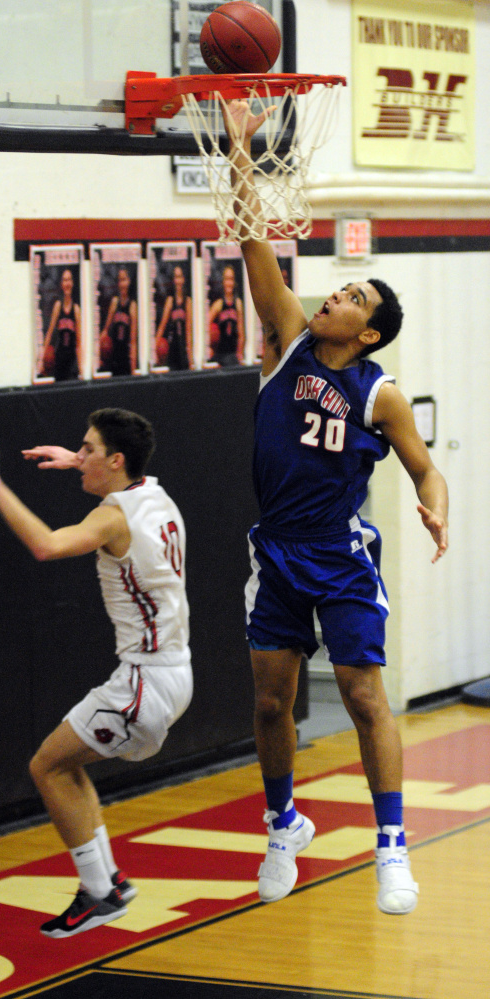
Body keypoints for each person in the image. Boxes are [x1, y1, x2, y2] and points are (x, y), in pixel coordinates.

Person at [223, 100, 449, 914]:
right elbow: (253, 239)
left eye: (351, 294)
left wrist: (434, 507)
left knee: (361, 694)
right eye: (339, 286)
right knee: (269, 700)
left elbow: (426, 470)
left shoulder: (377, 392)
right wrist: (241, 151)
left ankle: (393, 846)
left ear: (367, 331)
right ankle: (283, 821)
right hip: (276, 549)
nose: (332, 294)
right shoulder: (285, 339)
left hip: (339, 552)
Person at [0, 408, 192, 938]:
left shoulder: (112, 518)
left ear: (115, 461)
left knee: (47, 767)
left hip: (144, 682)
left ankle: (100, 891)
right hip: (173, 672)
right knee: (66, 765)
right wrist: (75, 460)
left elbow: (45, 544)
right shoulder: (155, 495)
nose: (79, 459)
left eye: (87, 450)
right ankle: (108, 885)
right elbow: (115, 476)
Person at [40, 268, 82, 381]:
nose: (67, 283)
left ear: (72, 283)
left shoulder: (76, 309)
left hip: (72, 361)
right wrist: (41, 359)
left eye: (69, 280)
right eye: (64, 280)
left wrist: (81, 369)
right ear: (61, 284)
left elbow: (79, 343)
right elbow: (49, 333)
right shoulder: (58, 306)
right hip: (59, 358)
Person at [99, 266, 138, 376]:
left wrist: (133, 368)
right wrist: (99, 355)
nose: (122, 284)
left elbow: (133, 341)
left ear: (129, 281)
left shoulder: (132, 305)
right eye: (120, 280)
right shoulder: (115, 302)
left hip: (125, 356)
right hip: (113, 355)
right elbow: (105, 330)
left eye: (124, 280)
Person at [154, 265, 193, 370]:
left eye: (180, 277)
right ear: (173, 280)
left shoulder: (188, 301)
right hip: (172, 350)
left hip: (183, 349)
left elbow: (188, 331)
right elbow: (162, 327)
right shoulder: (170, 301)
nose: (178, 281)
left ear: (183, 279)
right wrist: (154, 349)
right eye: (176, 277)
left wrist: (191, 358)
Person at [207, 264, 245, 366]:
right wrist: (210, 346)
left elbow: (241, 334)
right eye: (227, 279)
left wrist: (240, 353)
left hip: (232, 354)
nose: (229, 283)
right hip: (219, 354)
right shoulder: (218, 304)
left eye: (231, 279)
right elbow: (204, 326)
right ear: (223, 282)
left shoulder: (238, 303)